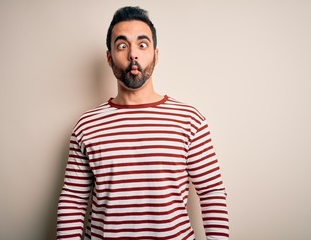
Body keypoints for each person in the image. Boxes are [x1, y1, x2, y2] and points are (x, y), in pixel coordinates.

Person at [57, 6, 229, 240]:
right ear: (109, 57)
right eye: (122, 45)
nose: (132, 55)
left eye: (142, 44)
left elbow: (212, 192)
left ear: (156, 55)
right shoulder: (86, 126)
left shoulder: (189, 120)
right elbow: (73, 202)